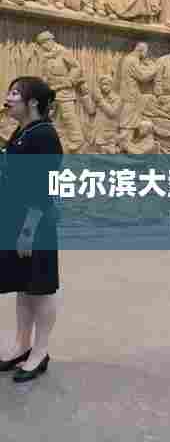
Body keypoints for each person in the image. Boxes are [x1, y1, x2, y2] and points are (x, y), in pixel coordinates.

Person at [0, 77, 63, 383]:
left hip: (34, 224)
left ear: (33, 102)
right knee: (24, 285)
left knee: (41, 288)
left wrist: (28, 230)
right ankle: (21, 346)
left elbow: (44, 185)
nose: (8, 98)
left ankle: (40, 352)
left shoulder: (45, 135)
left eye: (15, 93)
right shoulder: (22, 132)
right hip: (15, 220)